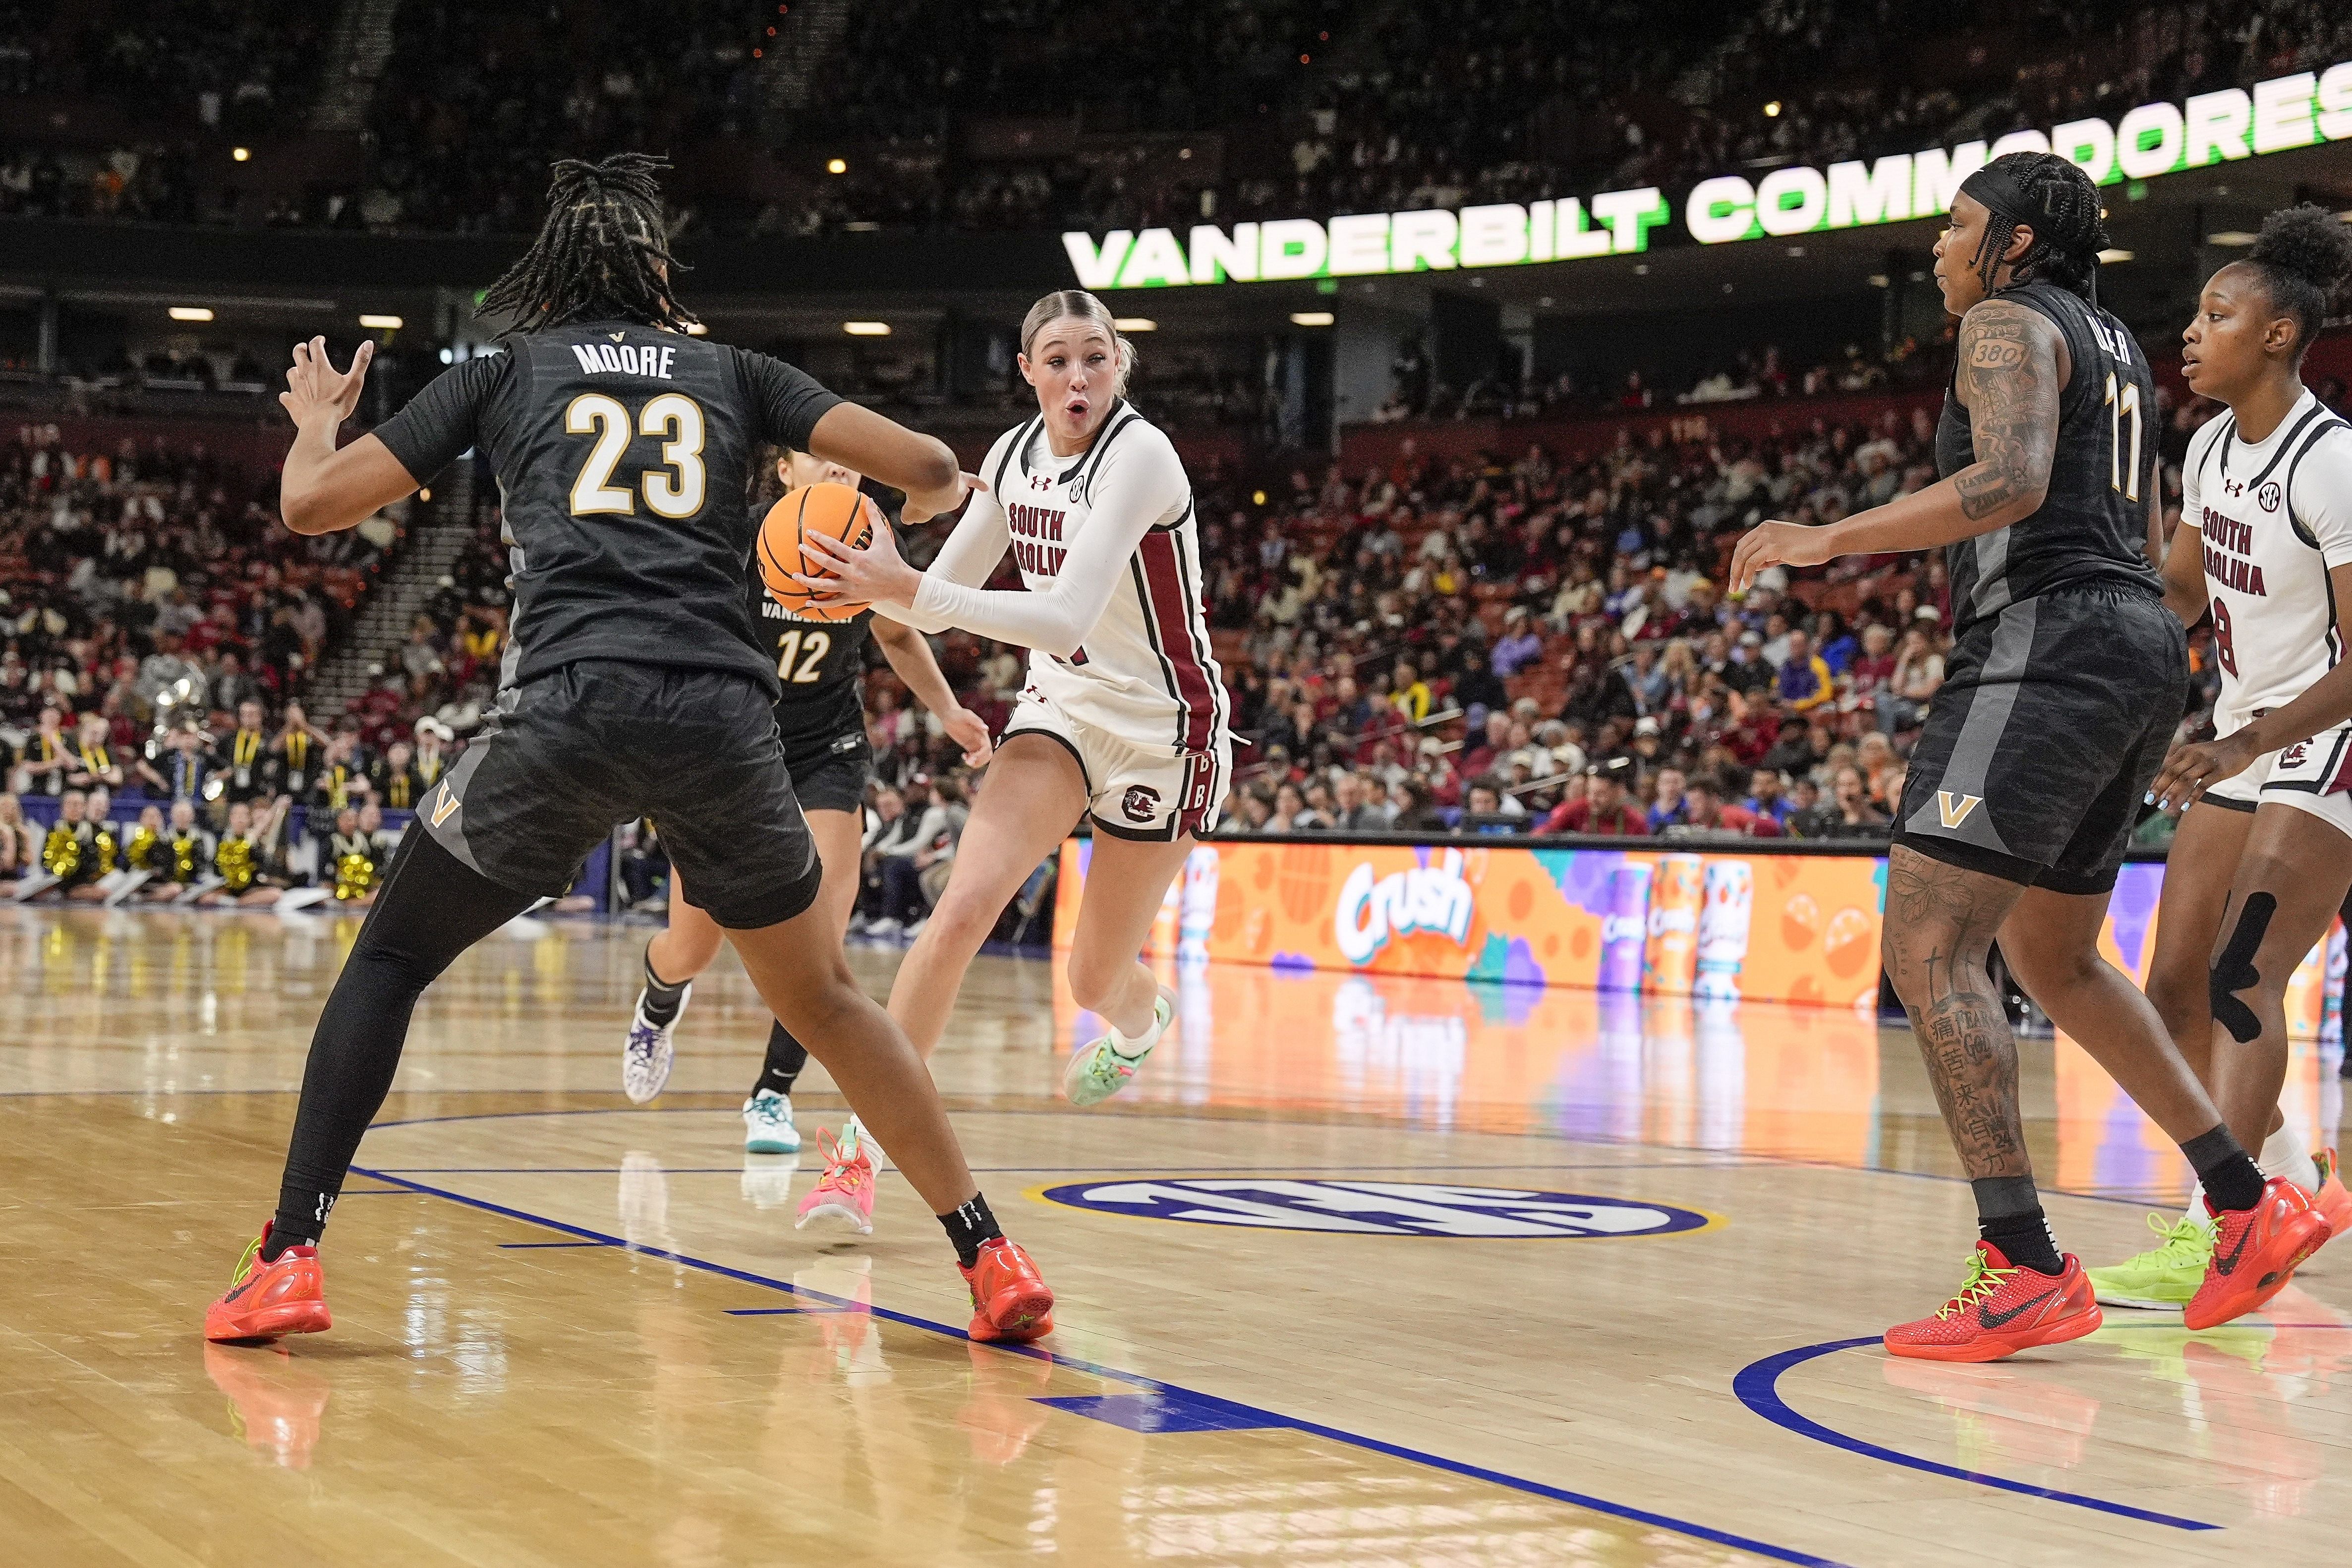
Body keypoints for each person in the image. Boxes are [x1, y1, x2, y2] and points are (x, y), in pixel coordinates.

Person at [202, 153, 1056, 1348]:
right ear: (659, 269)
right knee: (824, 997)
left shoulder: (504, 370)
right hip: (724, 718)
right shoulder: (737, 372)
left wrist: (313, 427)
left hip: (566, 706)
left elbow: (312, 508)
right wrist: (889, 540)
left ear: (549, 275)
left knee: (391, 957)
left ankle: (290, 1254)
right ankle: (990, 1256)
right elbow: (928, 470)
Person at [1730, 150, 2321, 1359]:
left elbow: (2006, 482)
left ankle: (2023, 1262)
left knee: (1932, 944)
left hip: (2043, 642)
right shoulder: (2113, 343)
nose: (1940, 250)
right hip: (2137, 642)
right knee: (2055, 955)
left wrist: (1827, 535)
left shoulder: (2005, 321)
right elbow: (2155, 539)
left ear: (2010, 244)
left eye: (1957, 228)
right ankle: (2248, 1206)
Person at [793, 287, 1231, 1233]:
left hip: (1167, 730)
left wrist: (906, 587)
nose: (1079, 375)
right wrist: (848, 577)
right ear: (1027, 373)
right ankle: (854, 1162)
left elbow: (1062, 612)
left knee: (1091, 981)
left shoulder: (1141, 455)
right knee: (956, 914)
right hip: (1062, 710)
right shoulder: (1010, 456)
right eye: (1059, 359)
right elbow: (934, 596)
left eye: (1095, 357)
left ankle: (1140, 1018)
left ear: (1121, 364)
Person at [2088, 205, 2352, 1308]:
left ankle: (2226, 1225)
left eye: (2216, 313)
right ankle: (2287, 1178)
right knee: (2173, 985)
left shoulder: (2333, 461)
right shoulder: (2205, 444)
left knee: (2248, 976)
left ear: (2281, 334)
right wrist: (2099, 610)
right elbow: (2185, 590)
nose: (2190, 335)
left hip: (2328, 736)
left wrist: (2240, 737)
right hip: (2243, 735)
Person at [619, 443, 995, 1166]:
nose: (841, 468)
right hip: (731, 746)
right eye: (820, 457)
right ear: (783, 471)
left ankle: (772, 1091)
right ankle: (658, 1002)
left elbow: (895, 633)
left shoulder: (869, 540)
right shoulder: (738, 538)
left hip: (826, 748)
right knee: (692, 944)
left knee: (821, 929)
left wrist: (947, 711)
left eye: (851, 462)